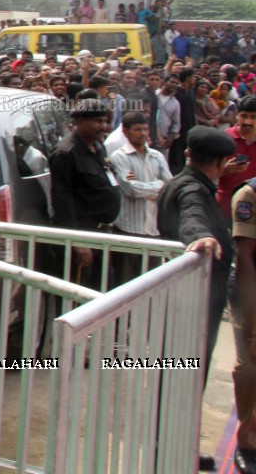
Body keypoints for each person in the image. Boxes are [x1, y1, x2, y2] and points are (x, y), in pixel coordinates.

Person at [157, 126, 237, 473]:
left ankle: (180, 446)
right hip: (191, 303)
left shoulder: (185, 180)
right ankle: (171, 452)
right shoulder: (192, 189)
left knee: (187, 378)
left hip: (193, 300)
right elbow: (192, 217)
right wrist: (202, 236)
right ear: (221, 162)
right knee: (184, 377)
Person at [49, 99, 121, 289]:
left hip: (101, 232)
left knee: (101, 289)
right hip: (83, 234)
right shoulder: (66, 153)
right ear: (80, 121)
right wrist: (77, 242)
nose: (102, 126)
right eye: (97, 121)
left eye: (104, 121)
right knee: (77, 293)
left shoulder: (97, 146)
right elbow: (62, 200)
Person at [107, 111, 172, 283]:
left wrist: (149, 186)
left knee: (151, 283)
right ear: (125, 131)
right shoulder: (119, 157)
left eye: (145, 129)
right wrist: (158, 185)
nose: (142, 133)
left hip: (153, 230)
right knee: (125, 283)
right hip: (129, 230)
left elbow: (170, 187)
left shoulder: (157, 156)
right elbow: (131, 190)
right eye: (137, 129)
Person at [229, 177, 256, 472]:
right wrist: (253, 323)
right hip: (251, 291)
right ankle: (248, 445)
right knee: (250, 367)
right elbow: (245, 258)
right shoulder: (250, 195)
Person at [219, 97, 256, 218]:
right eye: (244, 116)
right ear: (236, 115)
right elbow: (205, 175)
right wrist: (226, 169)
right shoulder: (223, 139)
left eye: (253, 117)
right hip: (226, 210)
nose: (248, 122)